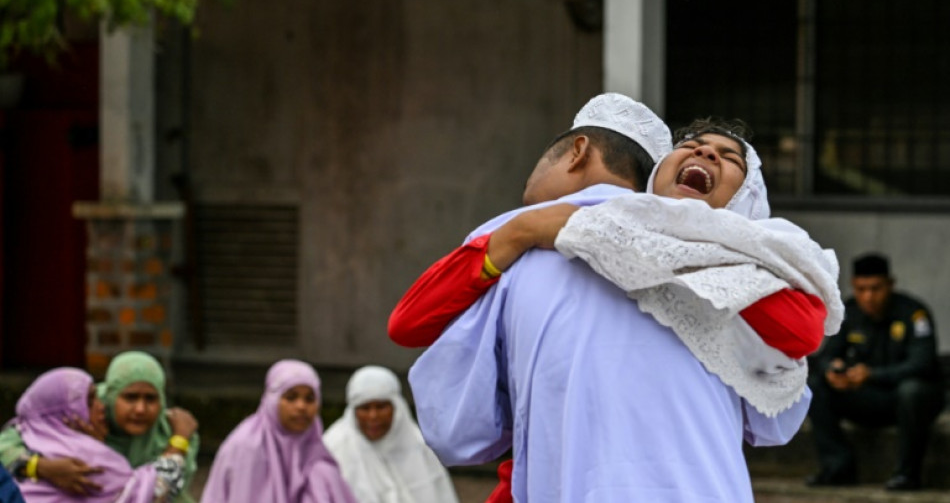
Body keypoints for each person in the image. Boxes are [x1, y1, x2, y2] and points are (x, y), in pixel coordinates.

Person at [408, 103, 817, 501]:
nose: (705, 152)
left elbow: (802, 332)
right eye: (690, 145)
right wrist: (525, 233)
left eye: (731, 159)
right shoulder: (525, 244)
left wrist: (542, 230)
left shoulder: (754, 274)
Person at [806, 252, 943, 491]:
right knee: (817, 386)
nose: (868, 297)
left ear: (890, 284)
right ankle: (838, 468)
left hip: (907, 401)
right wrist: (833, 370)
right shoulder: (850, 312)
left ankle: (906, 475)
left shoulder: (913, 313)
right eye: (861, 289)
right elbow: (826, 356)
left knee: (912, 391)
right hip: (868, 397)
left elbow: (923, 364)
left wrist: (872, 375)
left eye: (875, 288)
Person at [0, 351, 201, 501]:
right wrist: (39, 467)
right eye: (130, 397)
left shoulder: (166, 431)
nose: (140, 409)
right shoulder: (83, 454)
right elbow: (153, 493)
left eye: (151, 398)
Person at [201, 359, 357, 503]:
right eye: (291, 397)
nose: (301, 407)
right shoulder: (248, 448)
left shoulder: (315, 451)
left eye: (310, 399)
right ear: (272, 399)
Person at [324, 366, 458, 503]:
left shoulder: (417, 442)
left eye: (381, 407)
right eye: (365, 408)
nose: (373, 416)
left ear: (397, 407)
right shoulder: (335, 447)